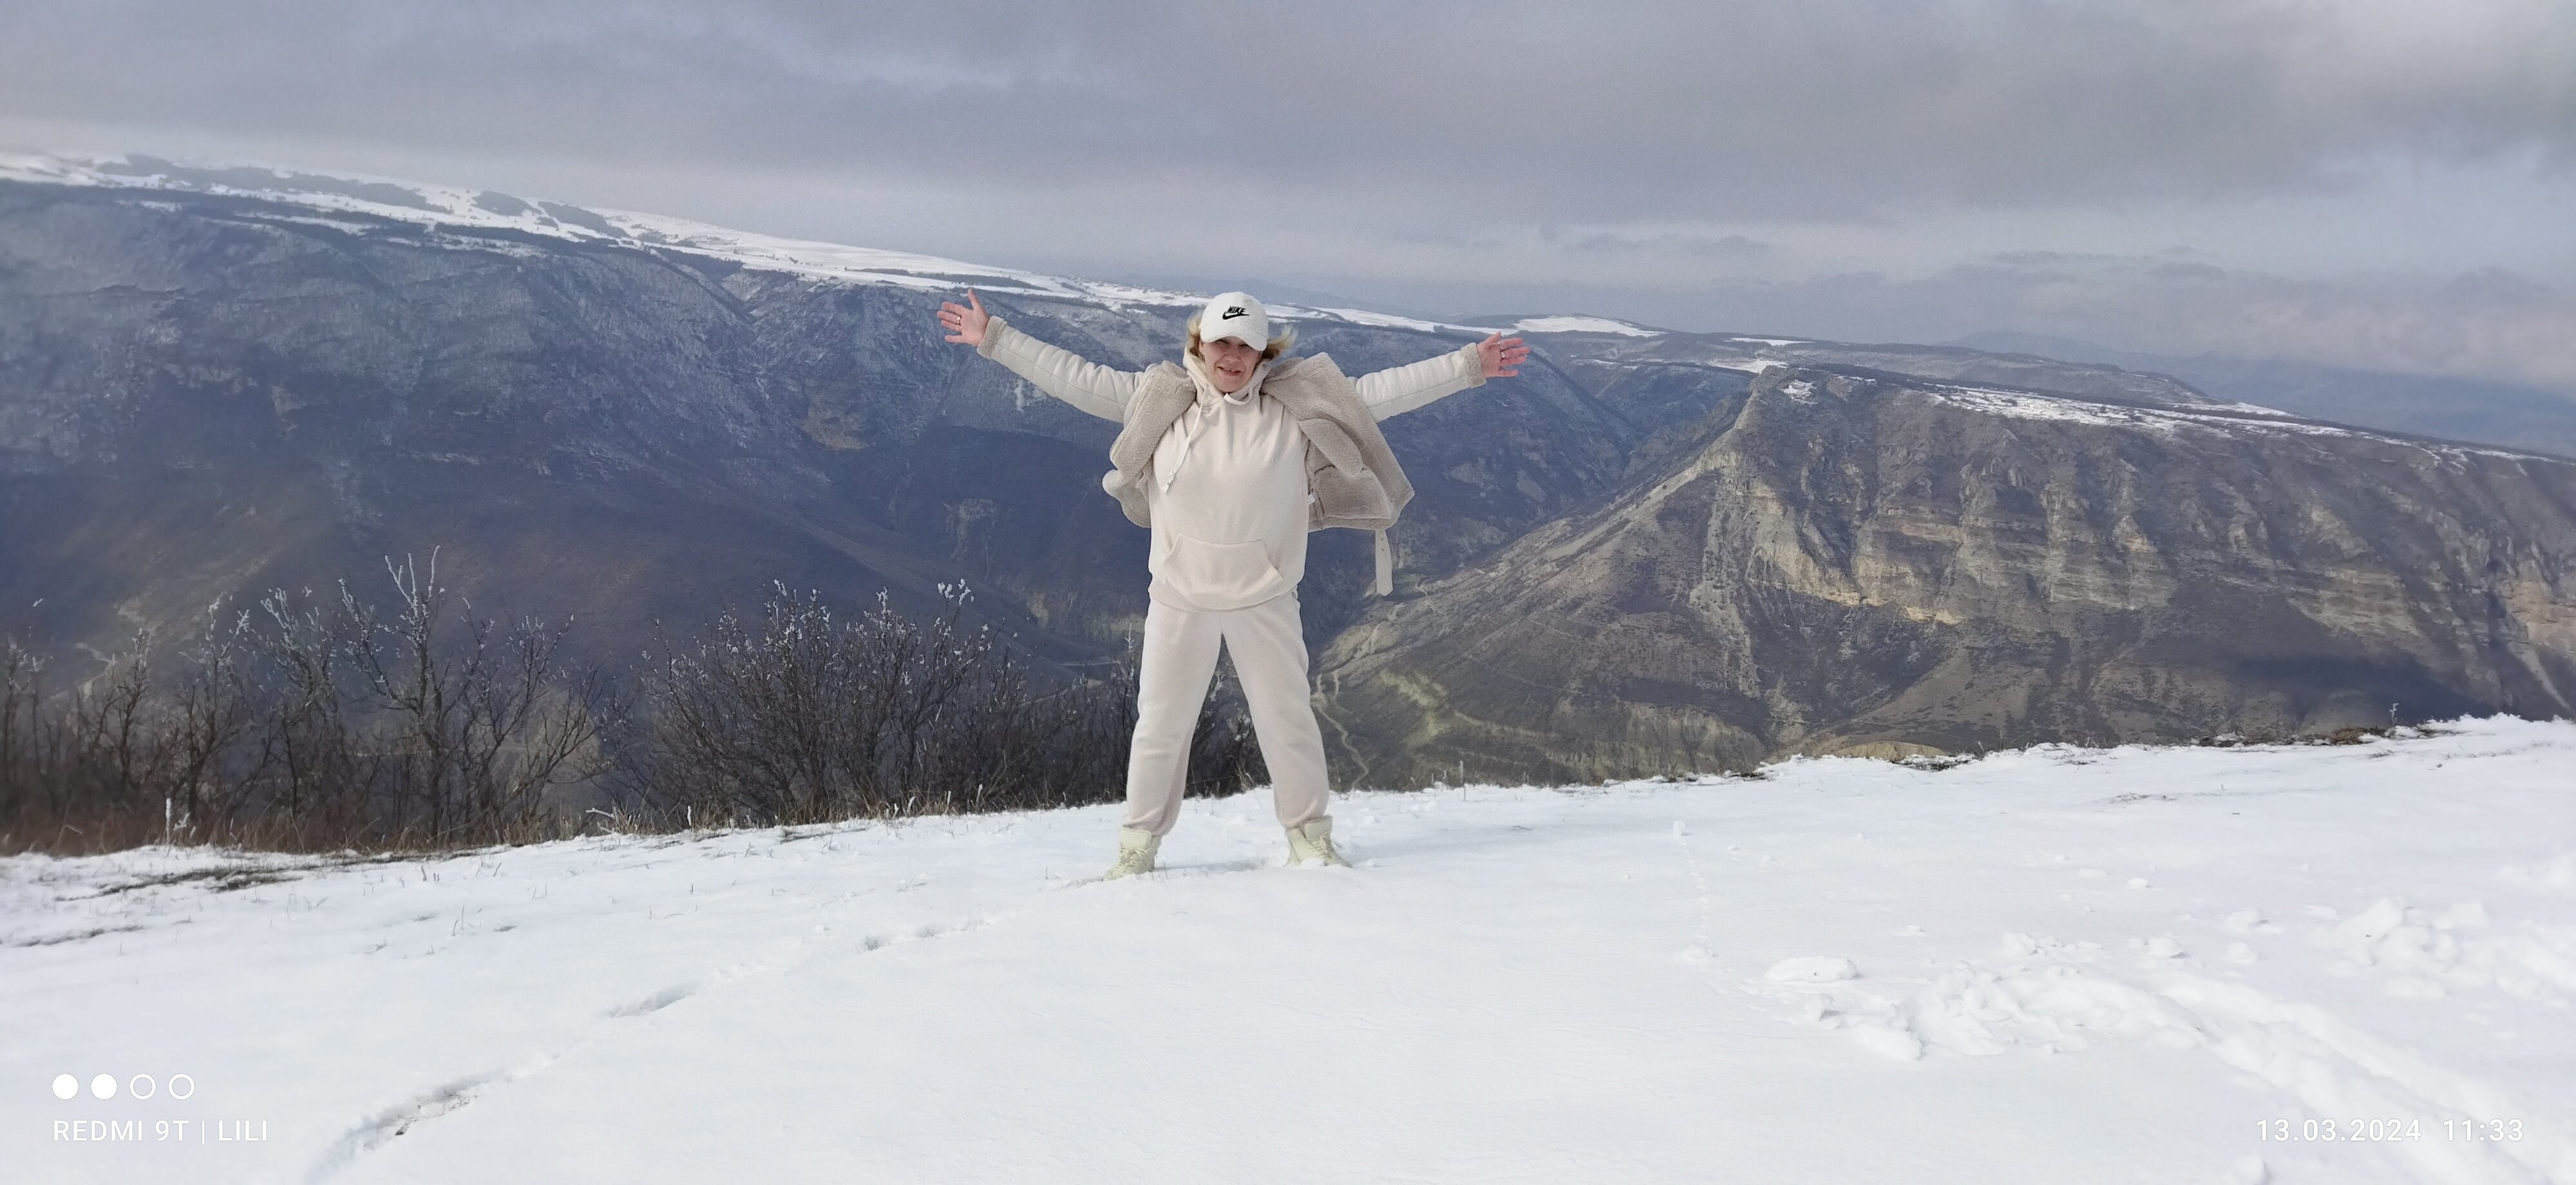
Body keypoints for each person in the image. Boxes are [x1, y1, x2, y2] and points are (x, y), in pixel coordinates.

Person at [938, 289, 1528, 878]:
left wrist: (1467, 366)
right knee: (1160, 729)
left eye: (1246, 346)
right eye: (1222, 342)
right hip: (1179, 598)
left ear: (1264, 354)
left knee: (1287, 723)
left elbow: (1383, 392)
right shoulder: (1159, 401)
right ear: (1200, 344)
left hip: (1264, 599)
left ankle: (1310, 839)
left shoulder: (1296, 411)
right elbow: (1074, 377)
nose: (1232, 356)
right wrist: (995, 339)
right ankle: (1137, 848)